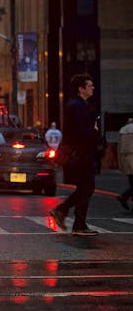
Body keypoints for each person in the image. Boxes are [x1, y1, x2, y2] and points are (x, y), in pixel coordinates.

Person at [49, 73, 99, 236]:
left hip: (82, 153)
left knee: (85, 188)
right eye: (90, 86)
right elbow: (79, 132)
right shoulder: (77, 106)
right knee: (86, 187)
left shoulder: (80, 105)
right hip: (80, 154)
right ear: (81, 89)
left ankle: (76, 221)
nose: (93, 88)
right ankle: (68, 215)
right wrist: (94, 131)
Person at [117, 117, 133, 210]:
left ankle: (125, 197)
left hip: (126, 158)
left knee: (131, 180)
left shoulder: (122, 130)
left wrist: (121, 163)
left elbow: (119, 147)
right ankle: (125, 196)